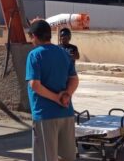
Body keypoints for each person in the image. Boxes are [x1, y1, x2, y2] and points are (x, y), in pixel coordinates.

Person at [26, 20, 79, 161]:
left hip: (45, 115)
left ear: (34, 36)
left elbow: (35, 85)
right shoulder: (63, 54)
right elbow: (74, 79)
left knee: (45, 157)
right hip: (66, 113)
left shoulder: (35, 55)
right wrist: (66, 95)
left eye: (30, 37)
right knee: (67, 157)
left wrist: (56, 98)